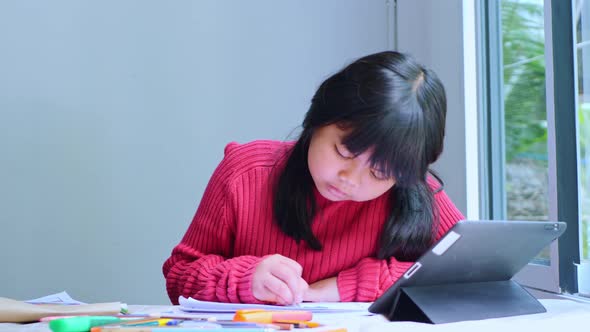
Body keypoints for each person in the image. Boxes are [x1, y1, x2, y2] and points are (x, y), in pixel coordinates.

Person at [162, 51, 464, 305]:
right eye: (344, 151)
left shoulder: (415, 190)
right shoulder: (246, 173)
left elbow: (468, 276)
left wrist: (345, 287)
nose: (350, 179)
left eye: (380, 172)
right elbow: (179, 276)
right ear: (317, 118)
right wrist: (244, 278)